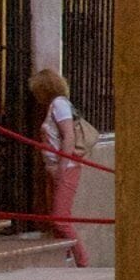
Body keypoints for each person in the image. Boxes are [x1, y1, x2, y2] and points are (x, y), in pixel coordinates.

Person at [30, 66, 95, 266]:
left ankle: (82, 260)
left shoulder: (59, 105)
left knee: (60, 218)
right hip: (55, 166)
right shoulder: (55, 106)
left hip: (65, 168)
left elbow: (68, 136)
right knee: (55, 216)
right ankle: (65, 255)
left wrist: (62, 167)